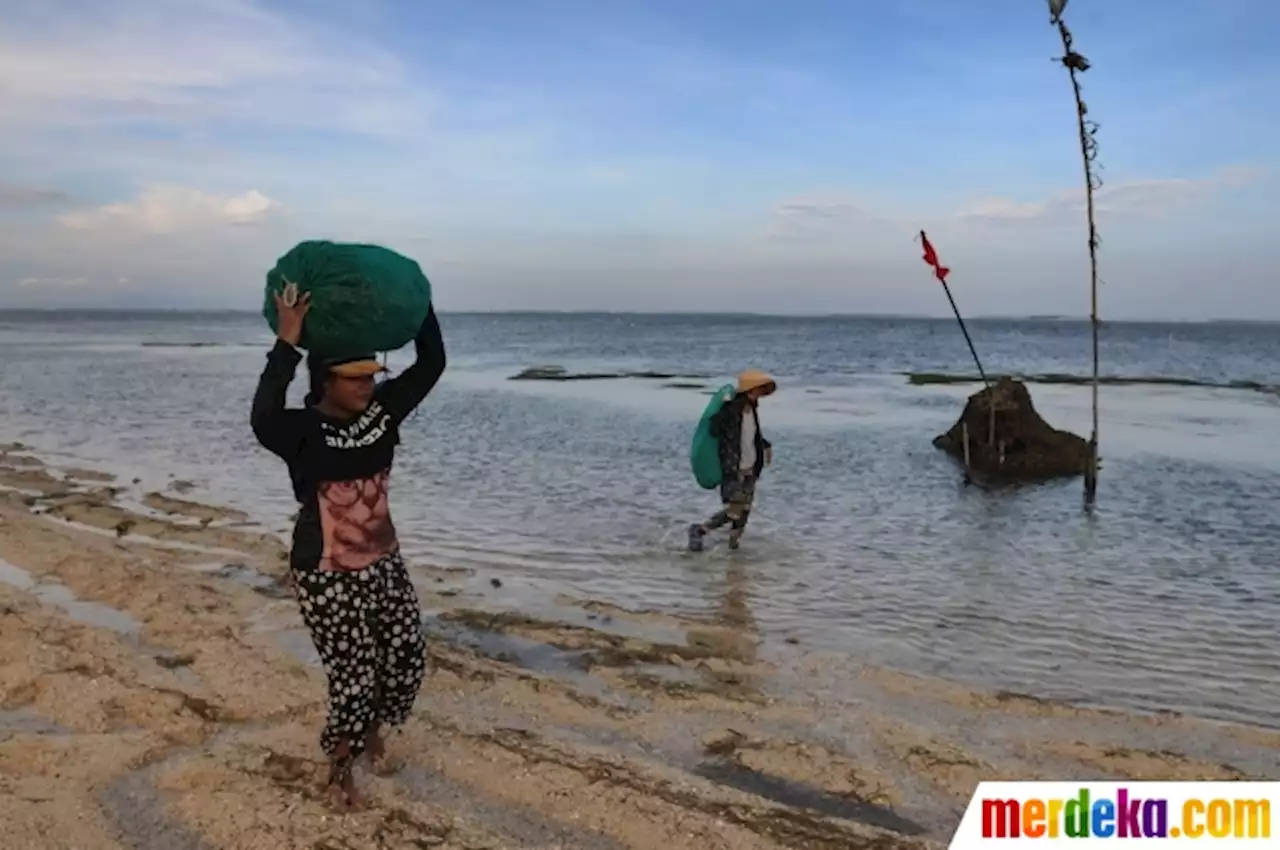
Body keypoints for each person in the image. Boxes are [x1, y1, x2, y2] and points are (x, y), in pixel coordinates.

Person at [250, 284, 446, 810]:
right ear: (325, 381)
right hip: (326, 569)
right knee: (353, 676)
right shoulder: (299, 431)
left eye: (371, 376)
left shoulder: (382, 412)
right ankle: (340, 768)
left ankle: (373, 729)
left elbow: (433, 363)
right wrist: (288, 341)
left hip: (384, 561)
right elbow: (263, 413)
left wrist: (418, 302)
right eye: (355, 378)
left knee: (406, 659)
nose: (367, 385)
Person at [688, 370, 776, 552]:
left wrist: (765, 445)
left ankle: (733, 550)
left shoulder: (752, 409)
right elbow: (714, 430)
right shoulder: (731, 409)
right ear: (749, 389)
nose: (760, 393)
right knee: (734, 510)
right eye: (758, 389)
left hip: (751, 467)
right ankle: (700, 530)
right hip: (732, 468)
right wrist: (723, 405)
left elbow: (751, 436)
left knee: (744, 513)